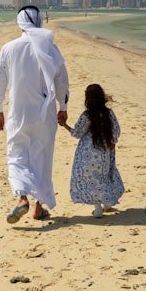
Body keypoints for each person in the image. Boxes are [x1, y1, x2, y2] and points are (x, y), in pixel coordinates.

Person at [0, 6, 69, 223]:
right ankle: (38, 207)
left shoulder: (8, 48)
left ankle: (22, 198)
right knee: (42, 157)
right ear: (39, 22)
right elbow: (61, 81)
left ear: (20, 23)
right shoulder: (51, 49)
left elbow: (0, 80)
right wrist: (63, 107)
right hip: (45, 114)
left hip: (19, 113)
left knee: (17, 154)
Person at [59, 83, 124, 218]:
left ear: (87, 99)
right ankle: (107, 203)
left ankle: (98, 208)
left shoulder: (87, 115)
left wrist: (64, 125)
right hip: (104, 152)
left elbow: (77, 133)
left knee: (90, 180)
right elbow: (116, 131)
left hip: (87, 153)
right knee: (104, 177)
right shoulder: (109, 114)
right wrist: (112, 143)